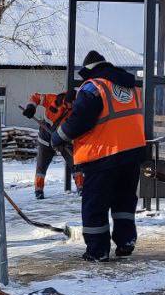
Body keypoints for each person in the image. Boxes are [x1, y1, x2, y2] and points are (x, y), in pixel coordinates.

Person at [53, 50, 146, 262]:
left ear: (90, 71)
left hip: (103, 155)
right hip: (131, 153)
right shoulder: (129, 87)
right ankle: (125, 241)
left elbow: (79, 120)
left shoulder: (94, 87)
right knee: (124, 201)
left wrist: (58, 136)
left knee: (95, 204)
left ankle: (97, 251)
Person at [20, 89, 79, 199]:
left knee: (75, 163)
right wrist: (31, 107)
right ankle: (38, 191)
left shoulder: (76, 110)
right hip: (45, 139)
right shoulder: (52, 99)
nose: (71, 105)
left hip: (63, 140)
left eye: (73, 103)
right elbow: (35, 97)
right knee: (41, 167)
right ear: (65, 100)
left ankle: (81, 188)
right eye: (70, 103)